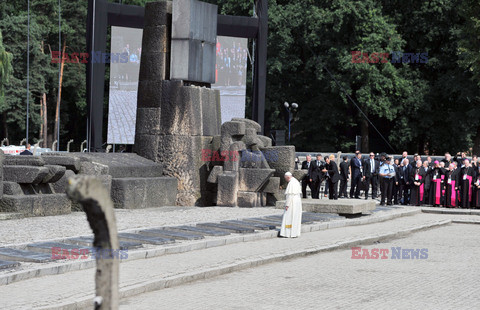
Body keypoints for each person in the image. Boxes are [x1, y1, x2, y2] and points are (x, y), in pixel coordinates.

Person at [279, 172, 302, 238]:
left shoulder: (291, 183)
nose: (285, 180)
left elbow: (290, 195)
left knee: (289, 217)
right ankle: (294, 233)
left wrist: (287, 205)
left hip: (292, 202)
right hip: (297, 201)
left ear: (288, 177)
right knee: (295, 217)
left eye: (285, 178)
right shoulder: (296, 181)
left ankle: (288, 233)